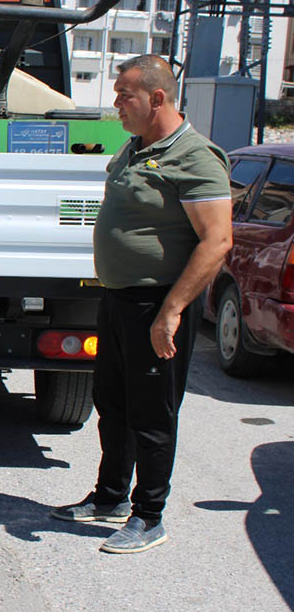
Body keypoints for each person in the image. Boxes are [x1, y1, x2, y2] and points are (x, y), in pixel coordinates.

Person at [51, 54, 232, 553]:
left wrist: (171, 311)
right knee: (112, 404)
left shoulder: (195, 157)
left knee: (152, 414)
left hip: (157, 302)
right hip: (118, 298)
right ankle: (109, 496)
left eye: (124, 95)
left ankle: (149, 515)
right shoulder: (135, 148)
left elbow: (216, 241)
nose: (115, 104)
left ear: (157, 99)